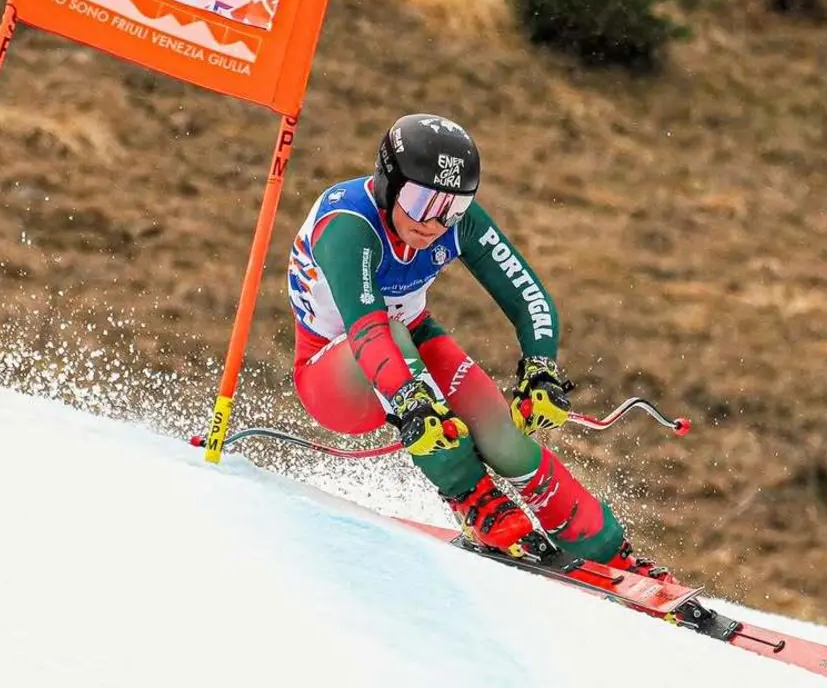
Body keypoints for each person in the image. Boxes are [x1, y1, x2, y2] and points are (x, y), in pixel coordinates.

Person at [286, 113, 674, 582]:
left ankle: (606, 548)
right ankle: (474, 499)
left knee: (504, 439)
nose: (435, 222)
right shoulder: (348, 223)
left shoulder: (456, 223)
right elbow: (369, 331)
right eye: (421, 200)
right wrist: (410, 399)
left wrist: (541, 369)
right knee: (404, 349)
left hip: (408, 345)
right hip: (336, 373)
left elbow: (528, 295)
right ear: (388, 184)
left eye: (454, 207)